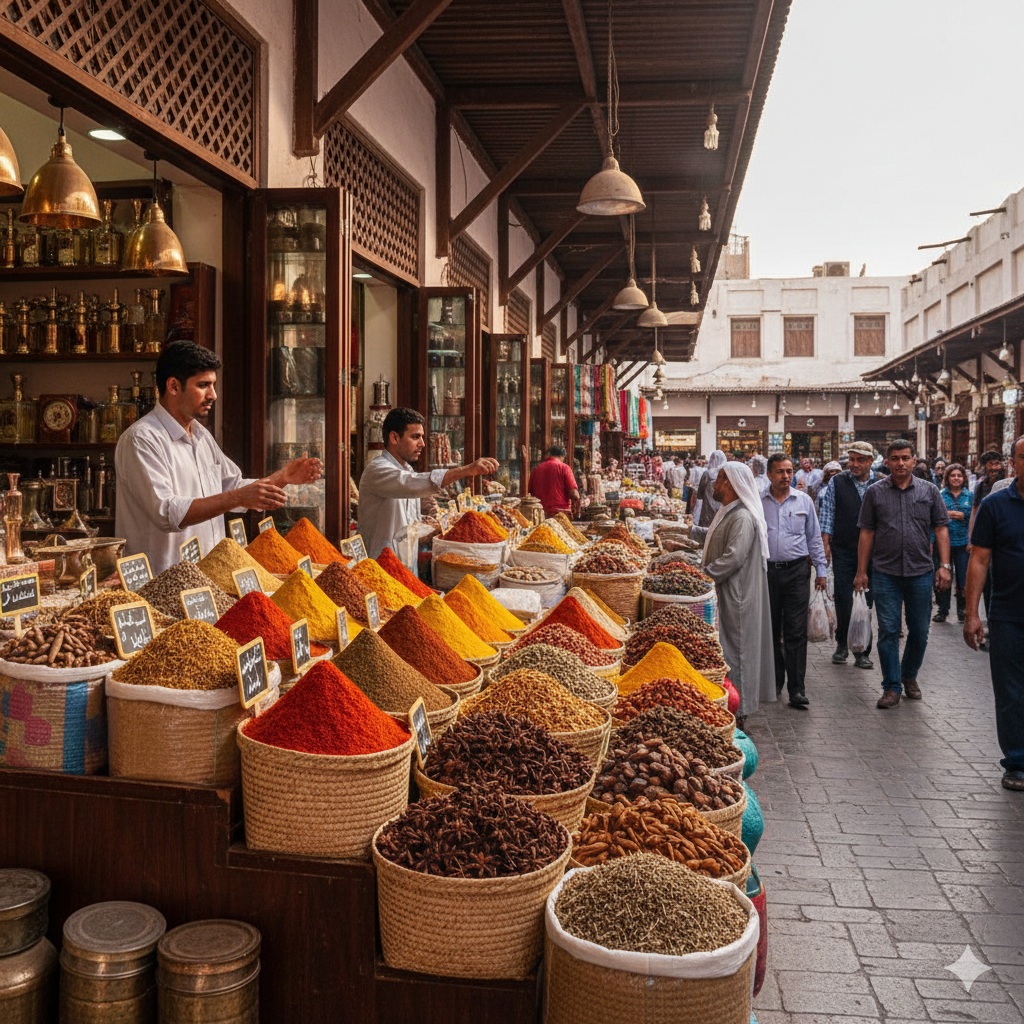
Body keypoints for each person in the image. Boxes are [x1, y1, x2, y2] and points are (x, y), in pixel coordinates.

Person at [115, 341, 323, 575]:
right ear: (173, 386)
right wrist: (237, 497)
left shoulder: (201, 435)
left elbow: (233, 486)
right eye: (203, 385)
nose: (213, 395)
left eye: (213, 385)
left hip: (205, 580)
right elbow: (166, 512)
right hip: (160, 580)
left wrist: (282, 477)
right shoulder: (141, 439)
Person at [855, 440, 951, 709]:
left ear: (913, 460)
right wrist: (861, 571)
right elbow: (866, 532)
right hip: (885, 572)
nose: (900, 463)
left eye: (905, 458)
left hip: (920, 572)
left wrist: (945, 566)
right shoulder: (875, 493)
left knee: (920, 631)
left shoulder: (929, 491)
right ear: (887, 461)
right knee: (888, 631)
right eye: (895, 458)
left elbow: (941, 528)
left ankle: (909, 675)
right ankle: (891, 687)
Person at [358, 408, 498, 566]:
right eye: (415, 437)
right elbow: (411, 483)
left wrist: (440, 526)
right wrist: (466, 470)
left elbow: (410, 525)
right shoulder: (377, 470)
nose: (422, 444)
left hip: (405, 566)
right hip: (380, 568)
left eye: (422, 437)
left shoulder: (407, 469)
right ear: (394, 437)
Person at [963, 435, 1024, 791]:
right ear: (1012, 462)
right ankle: (1017, 760)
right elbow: (979, 560)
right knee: (1011, 690)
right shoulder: (995, 505)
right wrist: (972, 614)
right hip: (1008, 613)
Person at [700, 461, 775, 728]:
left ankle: (739, 712)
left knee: (738, 652)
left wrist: (701, 575)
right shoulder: (729, 512)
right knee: (728, 650)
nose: (714, 484)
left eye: (719, 478)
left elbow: (732, 558)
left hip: (737, 596)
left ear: (730, 484)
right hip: (727, 592)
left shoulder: (742, 517)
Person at [761, 454, 828, 708]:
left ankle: (797, 689)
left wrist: (821, 570)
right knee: (771, 629)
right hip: (766, 572)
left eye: (789, 471)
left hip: (798, 571)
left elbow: (813, 537)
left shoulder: (804, 501)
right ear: (769, 474)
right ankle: (775, 680)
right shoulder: (758, 502)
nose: (786, 476)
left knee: (796, 631)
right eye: (780, 471)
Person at [819, 441, 879, 669]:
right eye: (851, 459)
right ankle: (842, 644)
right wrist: (825, 544)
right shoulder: (838, 481)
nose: (854, 464)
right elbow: (828, 513)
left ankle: (862, 649)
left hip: (874, 552)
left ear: (870, 461)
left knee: (867, 599)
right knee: (844, 598)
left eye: (860, 460)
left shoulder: (881, 481)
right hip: (844, 548)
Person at [933, 463, 971, 623]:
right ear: (947, 478)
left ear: (964, 478)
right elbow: (936, 517)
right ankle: (943, 610)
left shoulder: (970, 496)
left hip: (963, 544)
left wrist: (950, 514)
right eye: (953, 475)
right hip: (943, 544)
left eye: (959, 476)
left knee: (964, 578)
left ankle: (962, 610)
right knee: (943, 577)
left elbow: (971, 517)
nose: (956, 478)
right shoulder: (940, 495)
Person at [528, 445, 581, 518]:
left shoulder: (536, 469)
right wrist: (577, 505)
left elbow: (529, 492)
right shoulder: (564, 468)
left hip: (540, 513)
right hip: (560, 514)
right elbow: (574, 494)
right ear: (562, 456)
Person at [693, 450, 728, 528]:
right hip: (722, 511)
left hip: (707, 512)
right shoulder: (727, 475)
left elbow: (699, 495)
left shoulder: (707, 474)